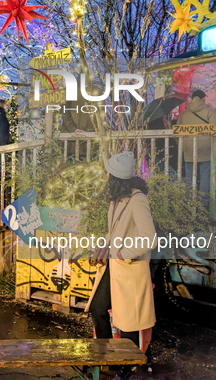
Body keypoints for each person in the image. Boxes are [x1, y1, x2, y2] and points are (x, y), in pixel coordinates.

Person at [86, 152, 157, 355]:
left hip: (129, 268)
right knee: (97, 308)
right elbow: (114, 230)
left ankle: (129, 363)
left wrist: (121, 254)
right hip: (114, 266)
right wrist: (104, 244)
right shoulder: (116, 199)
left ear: (115, 177)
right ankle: (106, 354)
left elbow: (149, 238)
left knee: (129, 322)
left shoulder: (137, 200)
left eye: (108, 174)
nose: (106, 178)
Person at [176, 90, 216, 207]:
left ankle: (189, 200)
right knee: (205, 174)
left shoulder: (184, 115)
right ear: (202, 99)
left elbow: (177, 134)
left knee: (190, 175)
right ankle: (203, 202)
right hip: (205, 148)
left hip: (189, 148)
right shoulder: (209, 112)